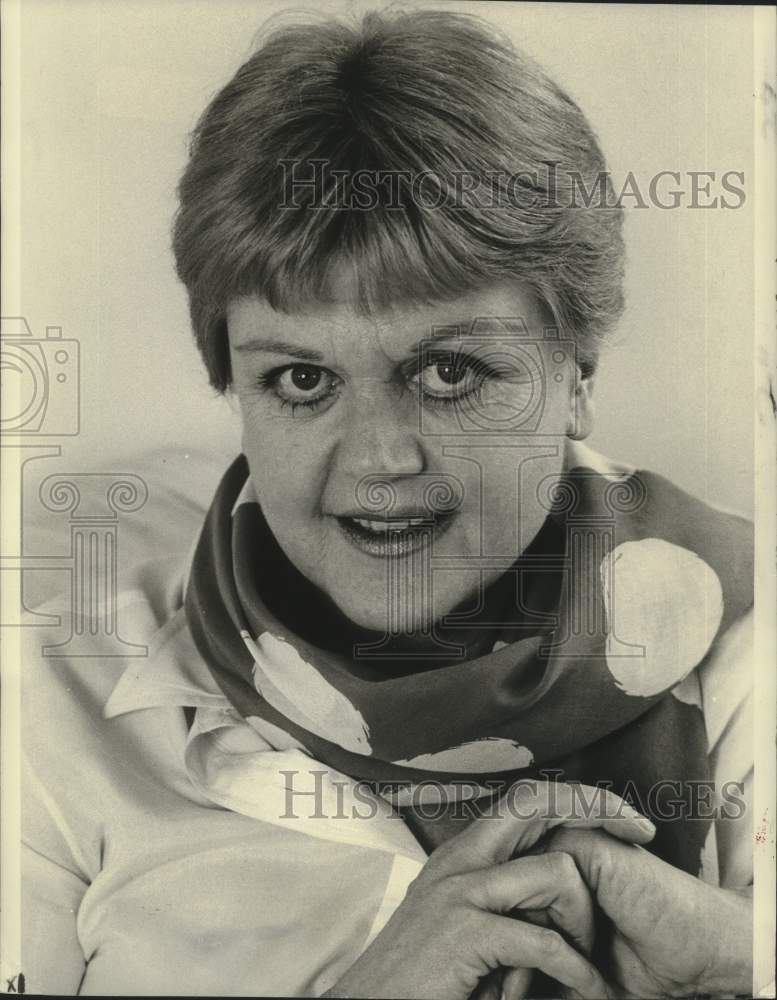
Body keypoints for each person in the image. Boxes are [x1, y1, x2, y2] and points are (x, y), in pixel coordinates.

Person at [22, 8, 754, 997]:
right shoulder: (44, 702)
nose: (378, 459)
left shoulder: (755, 648)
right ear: (231, 379)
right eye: (301, 381)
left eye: (449, 372)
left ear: (577, 369)